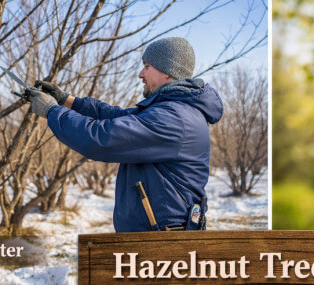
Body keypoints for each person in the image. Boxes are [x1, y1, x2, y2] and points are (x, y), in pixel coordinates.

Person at [24, 37, 223, 232]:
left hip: (162, 243)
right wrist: (66, 100)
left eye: (146, 66)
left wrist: (51, 111)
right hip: (158, 234)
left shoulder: (172, 118)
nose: (140, 74)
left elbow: (101, 138)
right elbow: (114, 115)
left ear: (168, 72)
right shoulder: (172, 110)